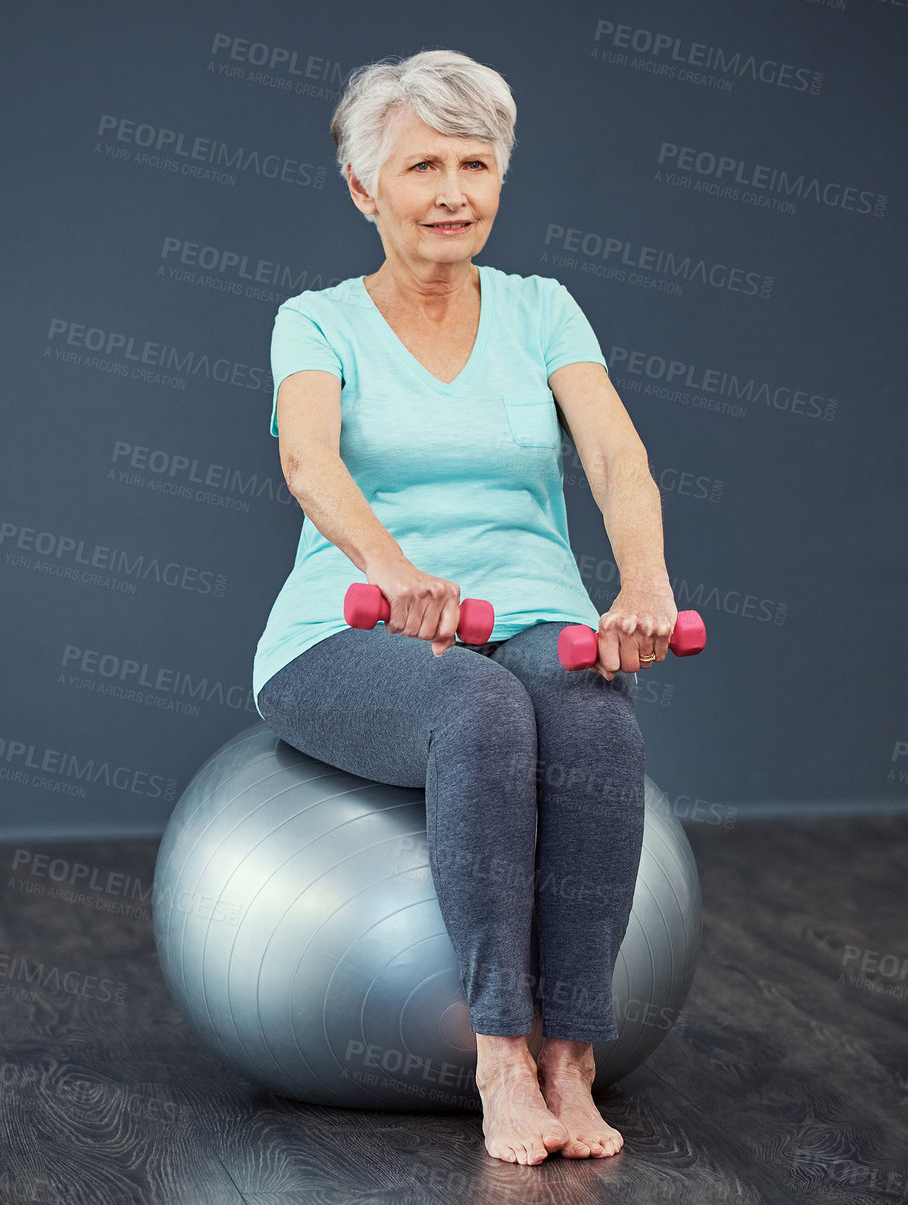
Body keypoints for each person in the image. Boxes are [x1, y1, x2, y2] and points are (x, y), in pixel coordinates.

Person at [251, 49, 680, 1166]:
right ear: (363, 189)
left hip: (532, 614)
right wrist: (393, 571)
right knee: (479, 709)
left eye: (475, 164)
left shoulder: (543, 311)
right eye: (421, 165)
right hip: (344, 633)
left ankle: (572, 1052)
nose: (452, 192)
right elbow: (310, 462)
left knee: (592, 718)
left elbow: (617, 455)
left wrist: (644, 585)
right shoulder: (317, 321)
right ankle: (500, 1052)